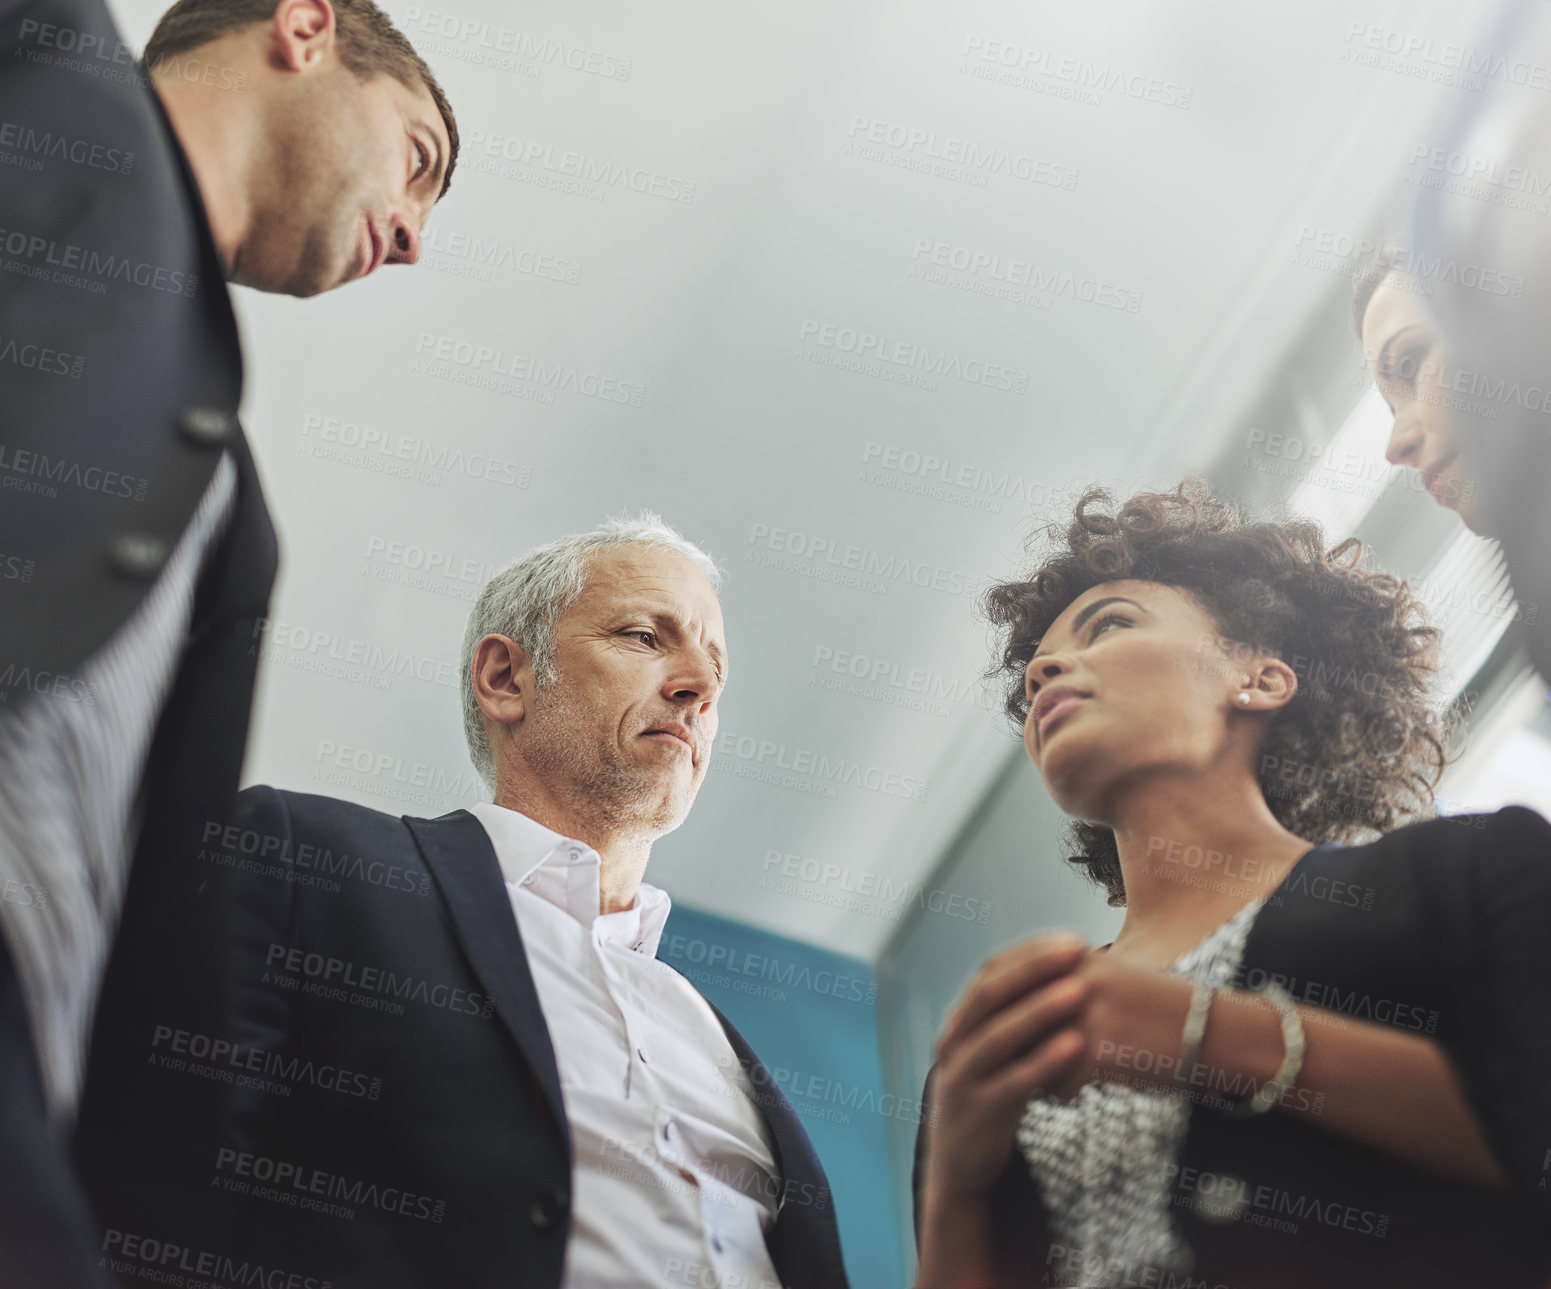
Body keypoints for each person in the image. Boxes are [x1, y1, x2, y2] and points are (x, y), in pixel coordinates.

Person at [75, 515, 852, 1289]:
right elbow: (155, 1174)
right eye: (646, 637)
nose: (701, 688)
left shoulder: (710, 1034)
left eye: (716, 665)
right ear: (505, 678)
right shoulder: (303, 859)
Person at [0, 0, 456, 1281]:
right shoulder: (46, 58)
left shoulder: (232, 512)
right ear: (305, 28)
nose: (416, 237)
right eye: (417, 158)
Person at [912, 483, 1551, 1289]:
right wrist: (953, 1193)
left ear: (1262, 678)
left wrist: (1202, 1033)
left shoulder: (1471, 874)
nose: (1042, 668)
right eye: (1035, 671)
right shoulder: (1001, 1045)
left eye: (1109, 623)